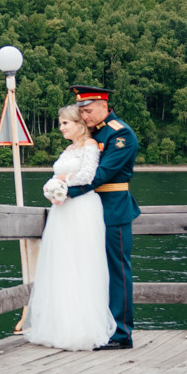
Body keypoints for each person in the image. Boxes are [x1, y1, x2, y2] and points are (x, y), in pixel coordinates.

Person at [25, 106, 116, 350]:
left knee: (81, 262)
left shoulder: (90, 145)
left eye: (65, 123)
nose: (61, 128)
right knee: (62, 262)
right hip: (62, 210)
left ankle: (82, 328)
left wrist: (60, 181)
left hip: (82, 207)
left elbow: (88, 176)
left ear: (79, 124)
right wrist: (52, 188)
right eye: (60, 123)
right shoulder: (68, 149)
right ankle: (59, 326)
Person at [70, 84, 139, 349]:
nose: (84, 116)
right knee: (93, 269)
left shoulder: (120, 135)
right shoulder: (91, 133)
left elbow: (102, 175)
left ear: (104, 106)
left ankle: (121, 334)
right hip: (89, 210)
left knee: (116, 271)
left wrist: (65, 191)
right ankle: (100, 327)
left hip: (113, 209)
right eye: (81, 111)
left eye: (88, 111)